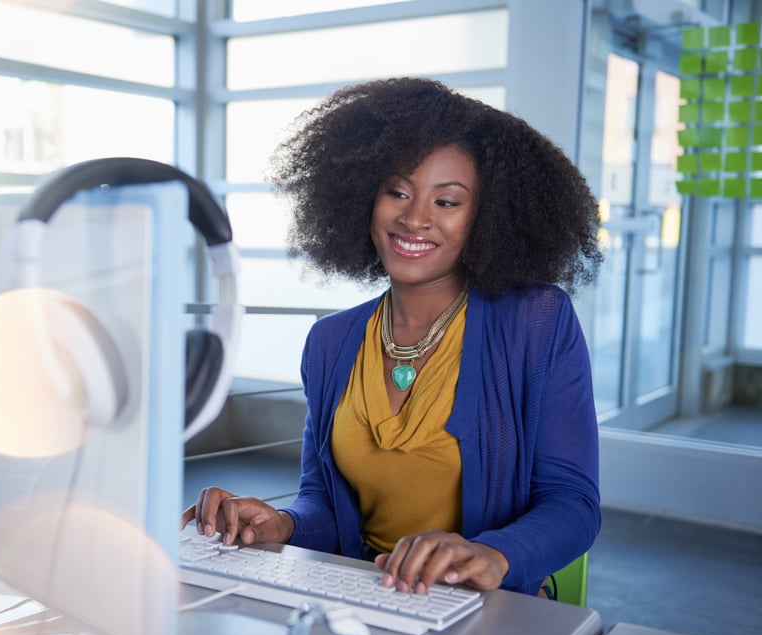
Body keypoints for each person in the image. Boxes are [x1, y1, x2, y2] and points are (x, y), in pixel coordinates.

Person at [181, 77, 603, 598]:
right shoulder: (330, 343)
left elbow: (572, 504)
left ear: (486, 218)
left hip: (490, 608)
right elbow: (324, 500)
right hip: (367, 597)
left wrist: (493, 555)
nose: (414, 217)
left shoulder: (536, 323)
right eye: (397, 191)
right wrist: (282, 524)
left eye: (447, 201)